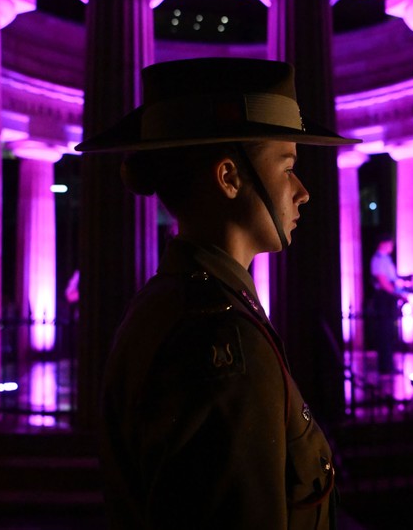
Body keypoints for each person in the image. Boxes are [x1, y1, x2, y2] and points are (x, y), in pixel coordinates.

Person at [76, 58, 359, 529]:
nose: (303, 190)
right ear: (229, 177)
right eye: (287, 167)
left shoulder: (170, 302)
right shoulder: (223, 343)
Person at [367, 234, 409, 375]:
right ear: (382, 244)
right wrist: (397, 294)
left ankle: (388, 365)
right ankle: (385, 367)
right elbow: (383, 281)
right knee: (384, 332)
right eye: (389, 243)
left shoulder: (386, 259)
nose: (392, 246)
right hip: (384, 297)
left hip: (388, 296)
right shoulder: (378, 259)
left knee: (389, 332)